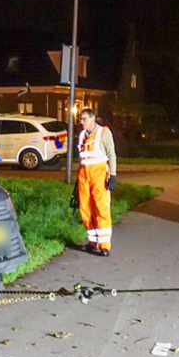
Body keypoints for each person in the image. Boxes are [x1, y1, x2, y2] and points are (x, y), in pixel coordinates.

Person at [75, 108, 117, 257]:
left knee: (101, 209)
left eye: (84, 119)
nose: (82, 122)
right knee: (86, 209)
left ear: (93, 119)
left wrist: (112, 175)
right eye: (80, 119)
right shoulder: (81, 136)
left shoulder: (103, 133)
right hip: (84, 177)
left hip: (99, 177)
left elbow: (111, 154)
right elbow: (82, 159)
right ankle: (93, 242)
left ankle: (105, 245)